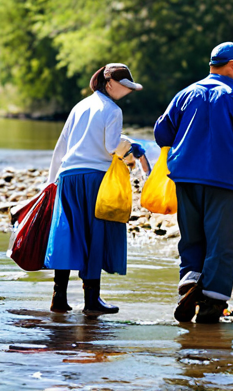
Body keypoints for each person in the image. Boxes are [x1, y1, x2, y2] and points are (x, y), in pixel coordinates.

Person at [154, 42, 233, 324]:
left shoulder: (185, 94)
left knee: (192, 236)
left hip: (185, 177)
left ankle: (190, 278)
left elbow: (162, 133)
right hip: (223, 179)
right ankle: (212, 304)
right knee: (221, 242)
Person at [44, 63, 144, 315]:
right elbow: (112, 146)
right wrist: (132, 145)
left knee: (68, 233)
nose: (127, 91)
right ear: (109, 83)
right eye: (125, 86)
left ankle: (59, 297)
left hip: (68, 176)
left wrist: (51, 181)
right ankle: (91, 301)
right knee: (94, 235)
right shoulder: (113, 109)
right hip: (94, 178)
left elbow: (61, 146)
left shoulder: (80, 106)